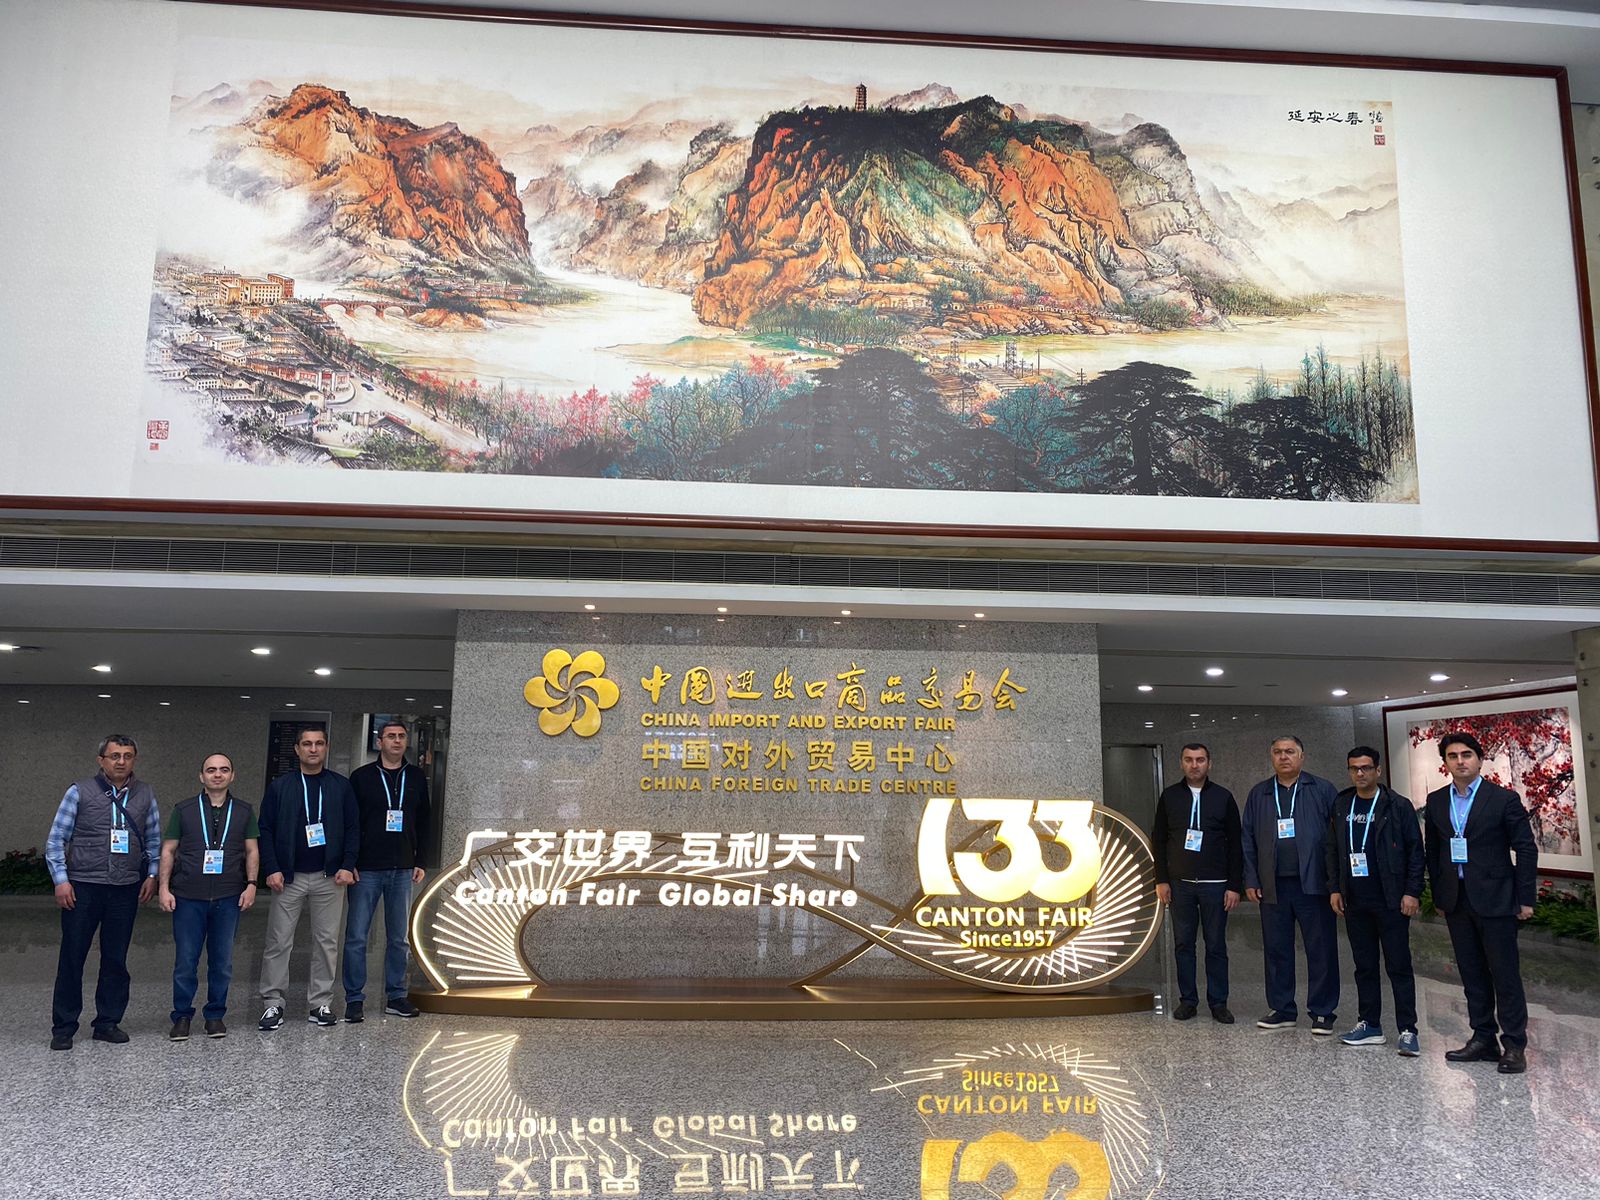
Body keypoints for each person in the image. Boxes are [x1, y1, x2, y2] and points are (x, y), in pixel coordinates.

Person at [1424, 731, 1538, 1074]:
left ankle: (1514, 1044)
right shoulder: (1436, 801)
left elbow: (1526, 848)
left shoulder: (1503, 799)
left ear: (1479, 759)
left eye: (1466, 755)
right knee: (1471, 973)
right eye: (1453, 756)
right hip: (1457, 901)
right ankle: (1483, 1037)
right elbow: (1434, 851)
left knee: (1505, 975)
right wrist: (1440, 894)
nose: (1460, 761)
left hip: (1497, 900)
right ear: (1445, 763)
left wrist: (1525, 898)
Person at [44, 734, 161, 1050]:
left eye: (127, 755)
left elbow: (153, 839)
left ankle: (107, 1022)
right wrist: (61, 881)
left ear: (134, 759)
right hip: (83, 887)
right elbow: (56, 839)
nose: (121, 761)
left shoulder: (145, 793)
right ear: (101, 760)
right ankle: (64, 1027)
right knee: (72, 957)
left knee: (115, 959)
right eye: (114, 756)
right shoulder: (79, 791)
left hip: (125, 889)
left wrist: (152, 875)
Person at [257, 727, 359, 1030]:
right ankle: (272, 1003)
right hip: (288, 877)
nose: (313, 749)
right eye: (307, 744)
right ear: (297, 749)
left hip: (330, 877)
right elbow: (265, 829)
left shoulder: (340, 786)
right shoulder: (281, 786)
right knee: (278, 942)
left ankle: (320, 1003)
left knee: (326, 942)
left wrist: (347, 864)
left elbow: (353, 828)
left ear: (326, 748)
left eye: (319, 744)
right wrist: (271, 868)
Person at [1326, 746, 1423, 1056]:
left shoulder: (1397, 805)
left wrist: (1412, 892)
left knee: (1398, 965)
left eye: (1366, 767)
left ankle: (1408, 1029)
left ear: (1378, 770)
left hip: (1391, 899)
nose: (1360, 773)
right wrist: (1335, 888)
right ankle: (1370, 1024)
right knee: (1364, 966)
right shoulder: (1342, 803)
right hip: (1355, 900)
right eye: (1354, 768)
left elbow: (1415, 852)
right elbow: (1332, 849)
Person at [1242, 735, 1340, 1034]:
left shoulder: (1322, 789)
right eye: (1277, 752)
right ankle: (1282, 1008)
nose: (1283, 757)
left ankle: (1322, 1011)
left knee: (1321, 949)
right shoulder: (1259, 793)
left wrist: (1335, 883)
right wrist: (1251, 878)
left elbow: (1337, 838)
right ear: (1271, 757)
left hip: (1314, 885)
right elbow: (1248, 840)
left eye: (1289, 752)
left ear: (1302, 756)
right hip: (1272, 886)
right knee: (1276, 950)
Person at [158, 753, 260, 1040]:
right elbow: (168, 850)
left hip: (228, 896)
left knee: (222, 962)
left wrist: (252, 884)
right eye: (211, 770)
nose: (217, 774)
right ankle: (181, 1016)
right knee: (185, 961)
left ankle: (215, 1015)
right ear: (201, 776)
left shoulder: (244, 810)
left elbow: (251, 850)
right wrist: (163, 888)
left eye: (224, 770)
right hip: (188, 897)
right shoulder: (184, 809)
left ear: (232, 776)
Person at [343, 720, 431, 1022]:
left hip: (403, 868)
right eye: (390, 736)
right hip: (366, 869)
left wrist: (421, 860)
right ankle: (354, 999)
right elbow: (351, 823)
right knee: (357, 937)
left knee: (399, 938)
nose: (396, 741)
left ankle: (396, 996)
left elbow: (424, 821)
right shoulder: (362, 777)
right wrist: (349, 862)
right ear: (380, 742)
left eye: (401, 736)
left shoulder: (416, 777)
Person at [1150, 743, 1242, 1023]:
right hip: (1181, 884)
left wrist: (1234, 885)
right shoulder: (1169, 797)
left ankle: (1219, 1003)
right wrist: (1161, 880)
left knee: (1216, 945)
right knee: (1183, 945)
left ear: (1209, 764)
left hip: (1216, 884)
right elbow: (1159, 840)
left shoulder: (1223, 797)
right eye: (1189, 760)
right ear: (1181, 763)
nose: (1194, 765)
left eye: (1200, 760)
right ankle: (1188, 1001)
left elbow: (1236, 844)